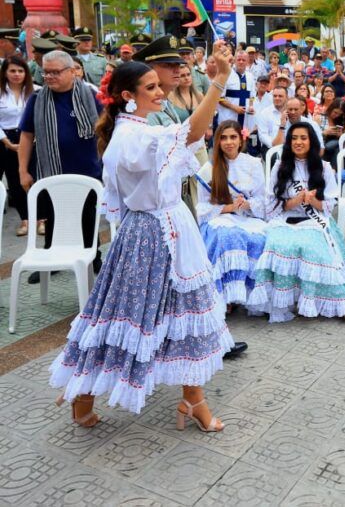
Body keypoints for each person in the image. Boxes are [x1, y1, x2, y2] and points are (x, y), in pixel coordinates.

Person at [49, 49, 233, 428]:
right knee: (134, 315)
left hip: (164, 228)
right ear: (128, 95)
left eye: (157, 85)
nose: (160, 91)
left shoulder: (137, 130)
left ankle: (191, 401)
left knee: (172, 313)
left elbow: (189, 133)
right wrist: (219, 80)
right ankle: (82, 395)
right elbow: (194, 132)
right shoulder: (134, 136)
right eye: (150, 87)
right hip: (153, 234)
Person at [248, 122, 345, 323]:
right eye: (294, 138)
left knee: (311, 248)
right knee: (279, 246)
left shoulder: (324, 167)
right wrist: (295, 201)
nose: (298, 142)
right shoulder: (280, 167)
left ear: (311, 141)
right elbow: (270, 205)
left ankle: (337, 301)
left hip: (314, 220)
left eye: (303, 138)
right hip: (285, 220)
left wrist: (312, 200)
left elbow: (330, 204)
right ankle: (286, 301)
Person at [18, 49, 103, 261]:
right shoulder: (37, 99)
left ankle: (94, 257)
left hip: (87, 170)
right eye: (46, 72)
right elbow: (27, 136)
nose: (49, 77)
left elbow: (105, 131)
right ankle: (51, 258)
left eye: (55, 72)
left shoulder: (90, 95)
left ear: (72, 71)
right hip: (51, 171)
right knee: (53, 216)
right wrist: (22, 171)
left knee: (88, 216)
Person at [196, 121, 268, 306]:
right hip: (219, 218)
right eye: (224, 138)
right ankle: (225, 296)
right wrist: (229, 208)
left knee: (263, 238)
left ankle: (251, 295)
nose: (229, 142)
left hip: (247, 217)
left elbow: (263, 201)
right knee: (228, 236)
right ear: (218, 141)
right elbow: (202, 208)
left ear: (241, 138)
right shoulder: (208, 168)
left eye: (233, 137)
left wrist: (247, 204)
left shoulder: (253, 164)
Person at [0, 55, 32, 236]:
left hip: (31, 137)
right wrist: (7, 143)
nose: (17, 74)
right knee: (15, 180)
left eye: (20, 70)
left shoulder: (35, 90)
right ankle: (25, 220)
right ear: (5, 72)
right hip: (6, 140)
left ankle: (40, 219)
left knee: (34, 177)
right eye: (12, 70)